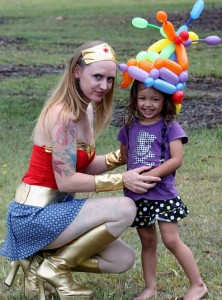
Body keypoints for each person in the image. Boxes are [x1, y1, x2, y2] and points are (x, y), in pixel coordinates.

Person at [0, 40, 161, 300]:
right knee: (125, 208)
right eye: (97, 77)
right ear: (77, 71)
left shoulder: (84, 108)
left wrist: (123, 155)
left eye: (109, 79)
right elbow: (66, 181)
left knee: (122, 259)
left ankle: (41, 259)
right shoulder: (63, 115)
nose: (104, 86)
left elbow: (84, 165)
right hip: (33, 216)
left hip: (58, 213)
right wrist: (122, 180)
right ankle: (56, 266)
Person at [117, 80, 208, 300]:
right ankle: (150, 288)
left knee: (171, 240)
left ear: (165, 100)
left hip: (162, 194)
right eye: (143, 98)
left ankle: (198, 285)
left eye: (155, 99)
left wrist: (150, 175)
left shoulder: (170, 126)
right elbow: (125, 156)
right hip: (138, 195)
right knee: (147, 242)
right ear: (134, 99)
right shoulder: (129, 126)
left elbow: (177, 159)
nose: (148, 104)